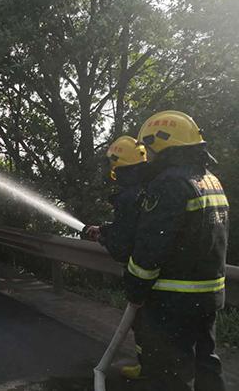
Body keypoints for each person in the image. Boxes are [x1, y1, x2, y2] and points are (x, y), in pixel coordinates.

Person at [124, 110, 228, 391]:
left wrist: (136, 289)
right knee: (206, 363)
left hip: (174, 301)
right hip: (208, 296)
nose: (149, 158)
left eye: (150, 150)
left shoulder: (169, 184)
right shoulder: (210, 180)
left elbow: (151, 246)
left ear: (161, 145)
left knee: (169, 373)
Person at [84, 135, 151, 379]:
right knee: (153, 326)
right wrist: (105, 229)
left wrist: (103, 238)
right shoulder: (152, 187)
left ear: (119, 167)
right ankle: (149, 367)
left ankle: (149, 370)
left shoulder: (127, 195)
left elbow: (123, 244)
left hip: (144, 271)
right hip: (163, 269)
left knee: (144, 323)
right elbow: (133, 226)